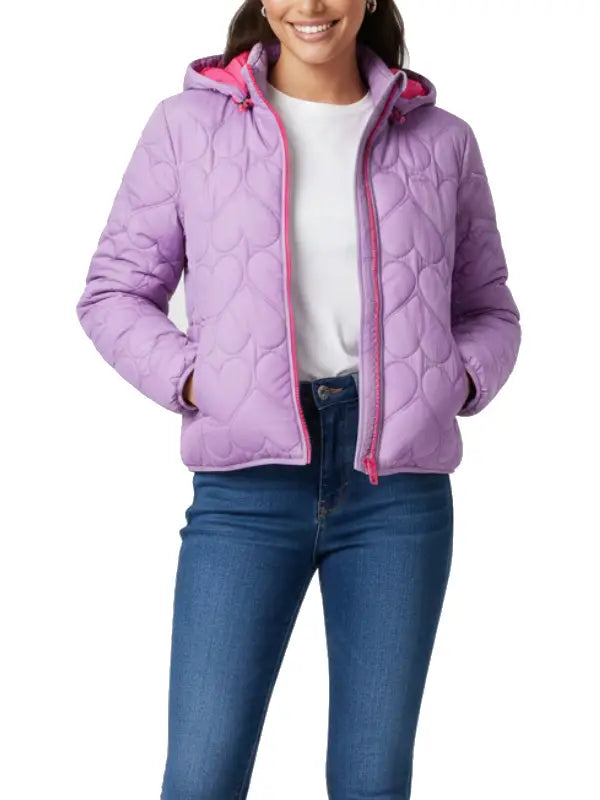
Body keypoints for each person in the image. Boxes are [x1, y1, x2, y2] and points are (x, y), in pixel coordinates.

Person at [75, 1, 522, 797]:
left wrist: (451, 383)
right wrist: (199, 380)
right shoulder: (187, 127)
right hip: (245, 490)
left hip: (396, 494)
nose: (310, 6)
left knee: (372, 781)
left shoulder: (442, 141)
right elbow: (113, 293)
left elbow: (489, 308)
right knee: (203, 776)